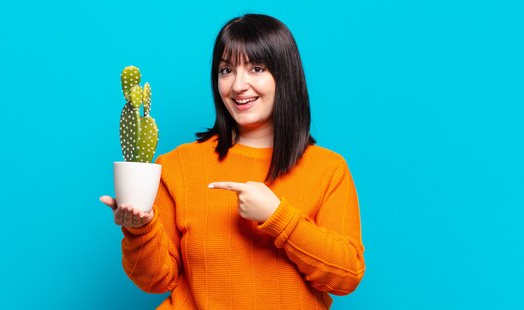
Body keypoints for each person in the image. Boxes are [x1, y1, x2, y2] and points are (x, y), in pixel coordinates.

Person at [100, 13, 365, 309]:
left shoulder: (328, 169)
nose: (238, 85)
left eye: (256, 68)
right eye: (226, 70)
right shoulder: (178, 166)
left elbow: (346, 276)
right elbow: (154, 281)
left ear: (285, 75)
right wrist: (141, 229)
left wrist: (278, 217)